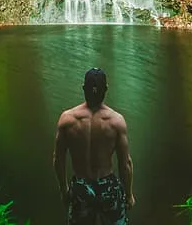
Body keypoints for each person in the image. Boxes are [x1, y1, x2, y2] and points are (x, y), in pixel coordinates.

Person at [53, 68, 134, 225]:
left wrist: (64, 190)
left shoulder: (67, 120)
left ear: (83, 88)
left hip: (81, 187)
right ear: (106, 89)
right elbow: (125, 164)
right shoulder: (116, 121)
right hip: (108, 188)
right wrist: (129, 194)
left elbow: (58, 159)